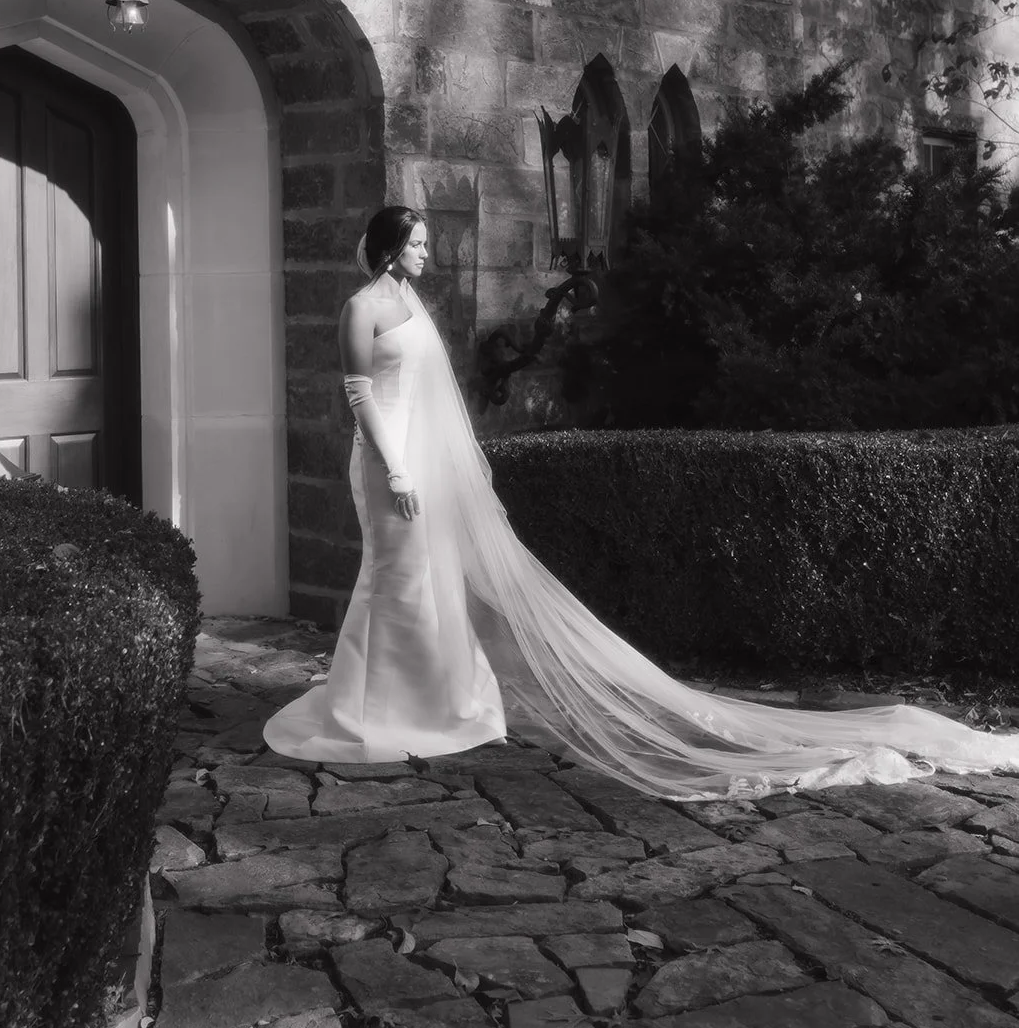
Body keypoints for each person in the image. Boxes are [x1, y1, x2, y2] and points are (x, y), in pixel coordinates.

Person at [264, 206, 1019, 799]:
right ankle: (377, 707)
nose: (428, 255)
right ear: (391, 246)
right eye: (420, 245)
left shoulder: (409, 301)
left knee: (429, 581)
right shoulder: (362, 308)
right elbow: (361, 394)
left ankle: (435, 703)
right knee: (391, 577)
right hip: (389, 464)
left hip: (424, 463)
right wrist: (396, 470)